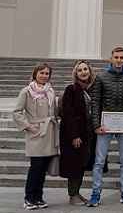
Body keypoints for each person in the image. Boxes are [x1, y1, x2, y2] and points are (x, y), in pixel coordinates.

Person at [88, 48, 123, 207]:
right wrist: (96, 124)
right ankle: (95, 193)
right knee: (99, 160)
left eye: (121, 57)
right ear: (110, 58)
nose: (118, 60)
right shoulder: (101, 77)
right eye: (116, 57)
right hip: (105, 125)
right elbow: (95, 102)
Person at [13, 63, 59, 210]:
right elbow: (17, 112)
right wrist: (28, 126)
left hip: (49, 133)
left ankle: (38, 197)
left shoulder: (50, 91)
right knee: (36, 165)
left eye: (47, 73)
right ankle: (29, 197)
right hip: (36, 133)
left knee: (44, 166)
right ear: (35, 74)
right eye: (42, 73)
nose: (44, 76)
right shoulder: (27, 91)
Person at [58, 61, 95, 206]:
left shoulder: (92, 89)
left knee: (82, 163)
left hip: (89, 133)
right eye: (80, 70)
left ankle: (77, 193)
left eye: (85, 69)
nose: (83, 72)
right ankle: (73, 194)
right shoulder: (71, 89)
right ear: (76, 73)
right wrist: (74, 135)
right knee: (74, 164)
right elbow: (68, 113)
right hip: (75, 134)